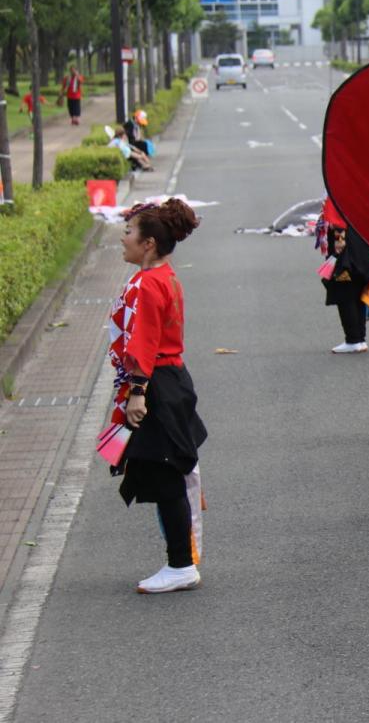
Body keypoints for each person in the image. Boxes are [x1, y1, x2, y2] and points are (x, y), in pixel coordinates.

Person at [108, 199, 207, 594]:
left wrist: (137, 393)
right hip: (167, 381)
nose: (123, 237)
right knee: (163, 473)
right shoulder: (162, 275)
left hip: (157, 386)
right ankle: (179, 561)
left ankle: (181, 564)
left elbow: (145, 343)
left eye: (129, 232)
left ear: (148, 243)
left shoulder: (149, 284)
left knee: (166, 476)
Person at [320, 203, 369, 354]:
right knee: (357, 294)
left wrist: (339, 241)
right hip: (361, 246)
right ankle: (360, 339)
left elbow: (337, 218)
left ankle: (353, 339)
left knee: (345, 294)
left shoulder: (336, 191)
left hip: (346, 252)